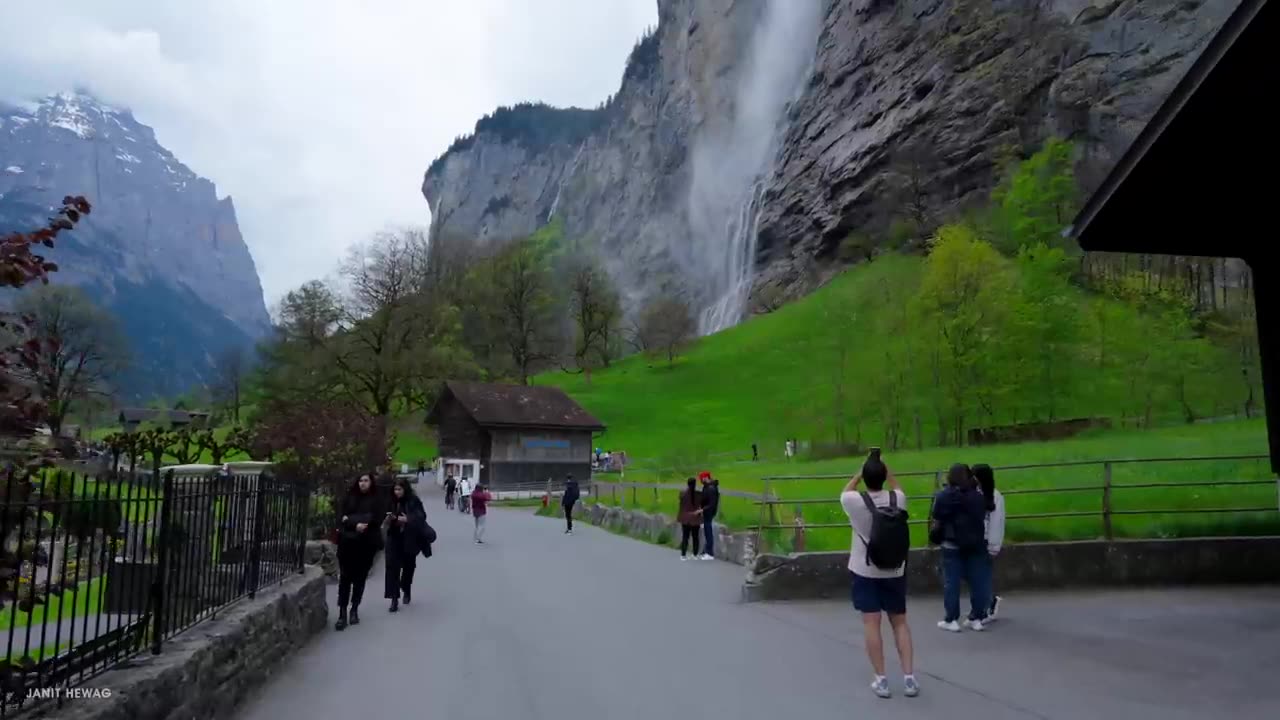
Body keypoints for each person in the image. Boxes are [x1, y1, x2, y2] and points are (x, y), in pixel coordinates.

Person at [840, 452, 918, 699]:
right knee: (900, 623)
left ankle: (881, 679)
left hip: (866, 570)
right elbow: (897, 487)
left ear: (865, 477)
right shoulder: (898, 499)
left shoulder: (853, 501)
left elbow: (846, 490)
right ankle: (909, 678)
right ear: (885, 476)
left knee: (871, 624)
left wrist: (859, 473)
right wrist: (887, 471)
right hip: (895, 569)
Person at [931, 463, 991, 632]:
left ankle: (951, 619)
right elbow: (982, 516)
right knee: (978, 581)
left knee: (952, 582)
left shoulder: (943, 496)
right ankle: (977, 617)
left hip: (951, 543)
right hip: (975, 544)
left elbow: (937, 518)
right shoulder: (977, 497)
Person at [335, 474, 381, 631]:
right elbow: (341, 518)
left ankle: (354, 609)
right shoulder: (349, 498)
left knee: (360, 580)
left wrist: (351, 520)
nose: (363, 483)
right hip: (347, 545)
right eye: (361, 481)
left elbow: (374, 518)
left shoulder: (375, 500)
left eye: (366, 480)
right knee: (345, 579)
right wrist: (355, 524)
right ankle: (342, 613)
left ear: (371, 483)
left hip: (366, 546)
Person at [383, 478, 429, 612]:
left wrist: (408, 519)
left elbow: (422, 516)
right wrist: (387, 519)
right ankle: (394, 599)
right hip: (394, 537)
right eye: (395, 489)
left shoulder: (413, 501)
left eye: (399, 489)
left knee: (408, 567)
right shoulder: (390, 501)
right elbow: (382, 515)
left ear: (405, 489)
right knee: (392, 567)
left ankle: (406, 587)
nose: (397, 492)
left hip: (409, 538)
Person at [973, 464, 1006, 621]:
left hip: (986, 542)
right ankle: (985, 603)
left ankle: (987, 606)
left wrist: (993, 546)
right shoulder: (972, 493)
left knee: (981, 577)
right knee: (973, 576)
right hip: (972, 540)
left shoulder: (995, 496)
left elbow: (997, 522)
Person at [677, 477, 703, 560]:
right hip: (695, 519)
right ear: (695, 484)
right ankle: (695, 554)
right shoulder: (698, 494)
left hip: (685, 518)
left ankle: (683, 554)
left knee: (685, 537)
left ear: (687, 484)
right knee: (695, 537)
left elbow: (681, 505)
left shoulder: (682, 494)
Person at [698, 471, 719, 561]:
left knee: (708, 531)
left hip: (709, 512)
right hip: (706, 512)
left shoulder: (711, 488)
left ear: (706, 477)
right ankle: (706, 550)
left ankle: (710, 553)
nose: (701, 480)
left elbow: (712, 503)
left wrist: (703, 509)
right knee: (707, 531)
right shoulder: (706, 487)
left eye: (702, 478)